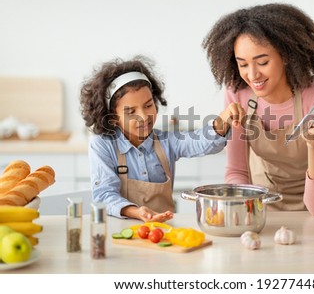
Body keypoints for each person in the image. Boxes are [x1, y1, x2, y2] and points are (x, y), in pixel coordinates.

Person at [202, 3, 314, 215]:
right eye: (243, 64)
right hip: (263, 201)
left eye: (263, 62)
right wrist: (241, 207)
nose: (252, 75)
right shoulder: (237, 94)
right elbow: (236, 170)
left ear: (285, 56)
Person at [79, 55, 245, 222]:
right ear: (113, 118)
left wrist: (224, 118)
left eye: (148, 105)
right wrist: (136, 212)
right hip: (120, 232)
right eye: (131, 112)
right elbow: (104, 195)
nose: (144, 117)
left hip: (163, 231)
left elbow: (201, 141)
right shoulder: (102, 145)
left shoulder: (166, 141)